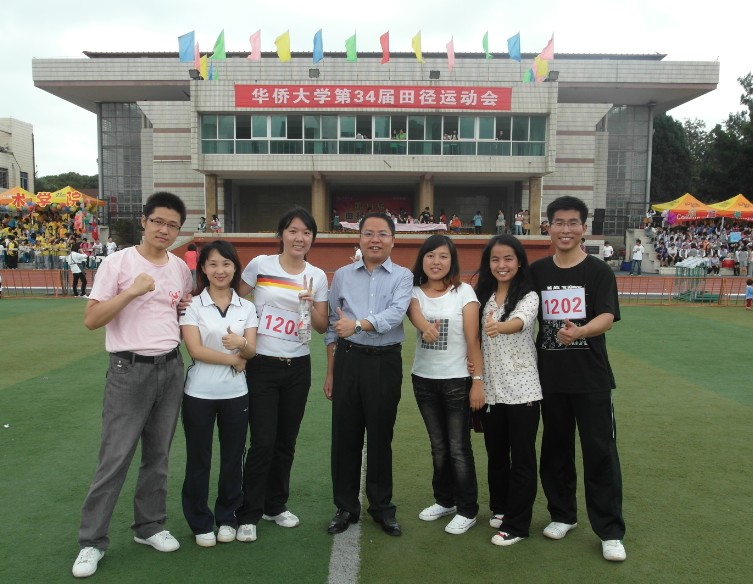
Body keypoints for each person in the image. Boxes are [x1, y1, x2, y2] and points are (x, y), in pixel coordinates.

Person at [71, 192, 193, 578]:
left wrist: (183, 308)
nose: (164, 230)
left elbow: (178, 308)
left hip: (170, 368)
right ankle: (92, 541)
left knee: (158, 456)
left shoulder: (179, 268)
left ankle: (149, 526)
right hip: (128, 370)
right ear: (144, 221)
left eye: (172, 225)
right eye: (158, 221)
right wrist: (132, 291)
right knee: (115, 458)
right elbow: (92, 319)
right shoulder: (118, 263)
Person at [529, 195, 626, 562]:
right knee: (555, 450)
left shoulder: (598, 271)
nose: (565, 229)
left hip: (591, 378)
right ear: (549, 227)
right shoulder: (538, 272)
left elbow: (607, 317)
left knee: (600, 452)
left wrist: (580, 331)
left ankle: (610, 531)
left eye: (573, 223)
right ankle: (562, 515)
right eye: (559, 222)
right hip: (549, 378)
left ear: (583, 228)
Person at [235, 208, 329, 543]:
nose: (299, 238)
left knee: (286, 442)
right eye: (293, 231)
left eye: (306, 232)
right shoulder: (261, 265)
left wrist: (312, 304)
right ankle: (249, 512)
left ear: (312, 238)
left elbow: (322, 326)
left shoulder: (317, 276)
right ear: (281, 234)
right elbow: (233, 298)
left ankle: (275, 505)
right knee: (262, 442)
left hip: (297, 367)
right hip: (261, 365)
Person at [324, 212, 413, 537]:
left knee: (380, 437)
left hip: (384, 363)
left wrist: (359, 325)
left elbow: (396, 314)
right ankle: (345, 506)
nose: (375, 240)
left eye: (383, 234)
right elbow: (332, 326)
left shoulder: (403, 276)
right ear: (359, 239)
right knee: (344, 437)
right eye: (369, 233)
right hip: (348, 361)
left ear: (393, 240)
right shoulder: (342, 275)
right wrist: (331, 372)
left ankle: (382, 508)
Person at [179, 240, 258, 547]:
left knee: (232, 458)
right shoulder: (192, 305)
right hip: (199, 393)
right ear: (203, 268)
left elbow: (251, 351)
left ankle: (228, 516)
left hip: (236, 393)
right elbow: (195, 350)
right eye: (212, 264)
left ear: (235, 268)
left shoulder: (246, 307)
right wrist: (233, 359)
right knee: (199, 459)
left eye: (226, 264)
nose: (220, 270)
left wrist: (242, 345)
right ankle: (200, 521)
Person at [407, 235, 484, 535]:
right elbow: (413, 310)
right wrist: (425, 327)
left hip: (457, 381)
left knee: (458, 448)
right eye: (430, 256)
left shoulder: (463, 292)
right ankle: (445, 500)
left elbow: (472, 339)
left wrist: (477, 381)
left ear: (452, 261)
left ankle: (467, 509)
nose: (436, 262)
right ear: (422, 260)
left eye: (443, 256)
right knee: (438, 446)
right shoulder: (414, 291)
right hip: (423, 380)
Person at [474, 234, 542, 547]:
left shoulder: (529, 295)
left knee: (522, 459)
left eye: (508, 259)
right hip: (491, 390)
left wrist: (498, 326)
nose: (502, 265)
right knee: (497, 454)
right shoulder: (482, 296)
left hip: (523, 391)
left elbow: (521, 321)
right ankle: (500, 507)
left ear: (519, 262)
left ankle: (518, 525)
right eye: (495, 259)